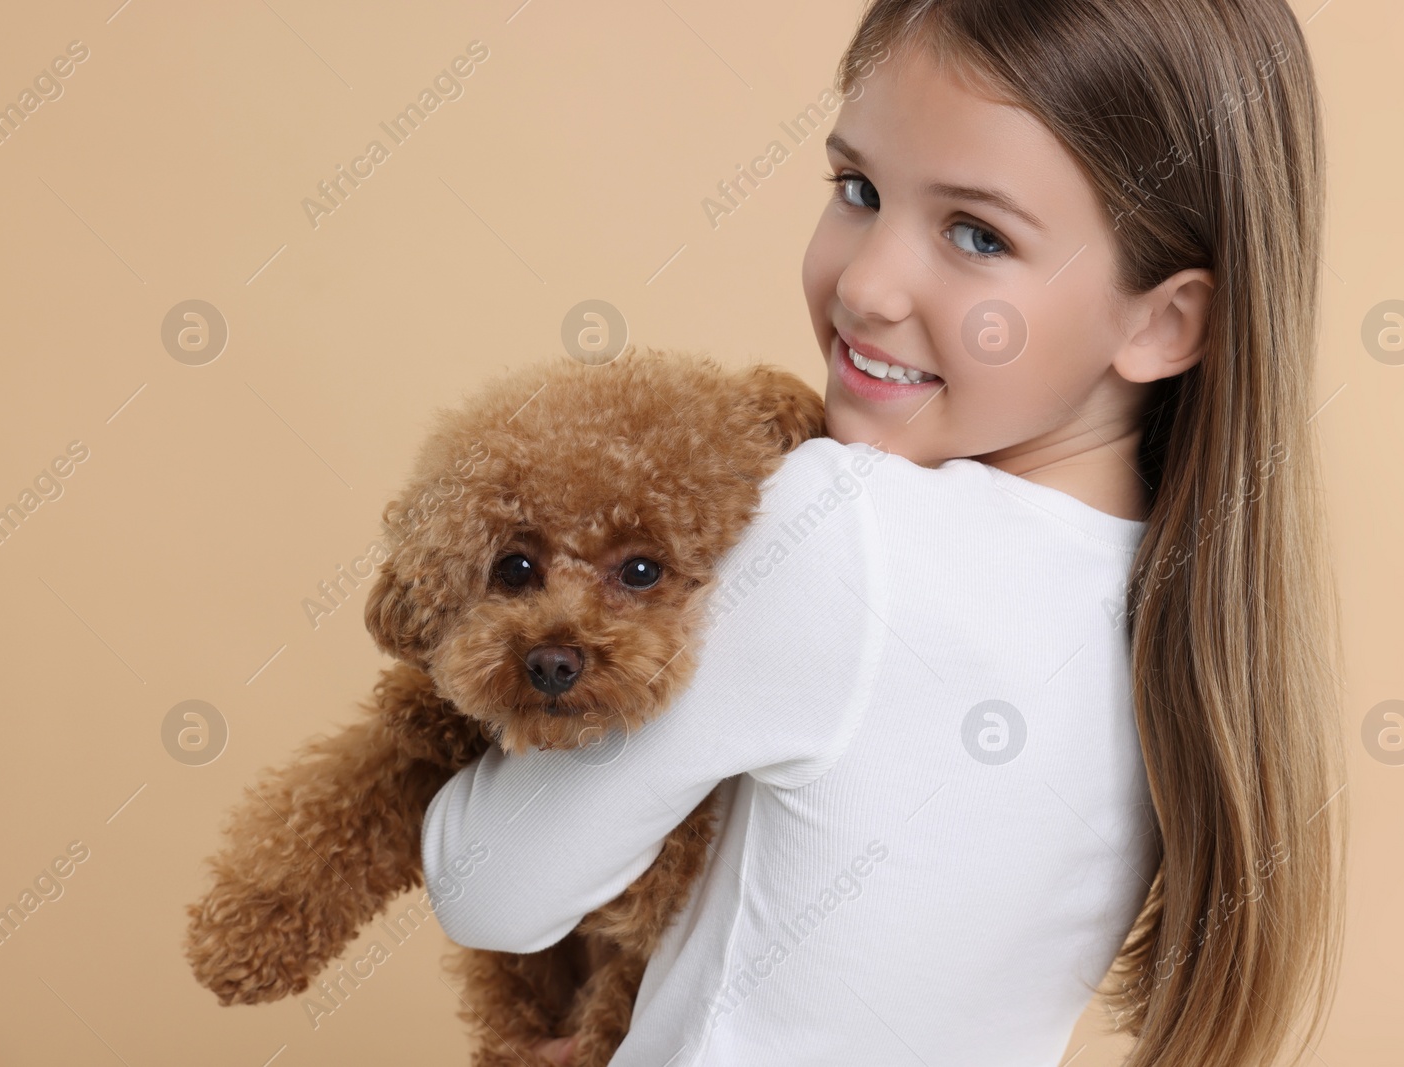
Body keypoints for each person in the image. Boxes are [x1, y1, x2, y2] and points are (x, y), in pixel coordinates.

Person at [423, 1, 1348, 1064]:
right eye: (857, 189)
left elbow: (487, 884)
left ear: (1162, 320)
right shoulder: (1185, 616)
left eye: (977, 234)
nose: (865, 284)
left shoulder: (843, 527)